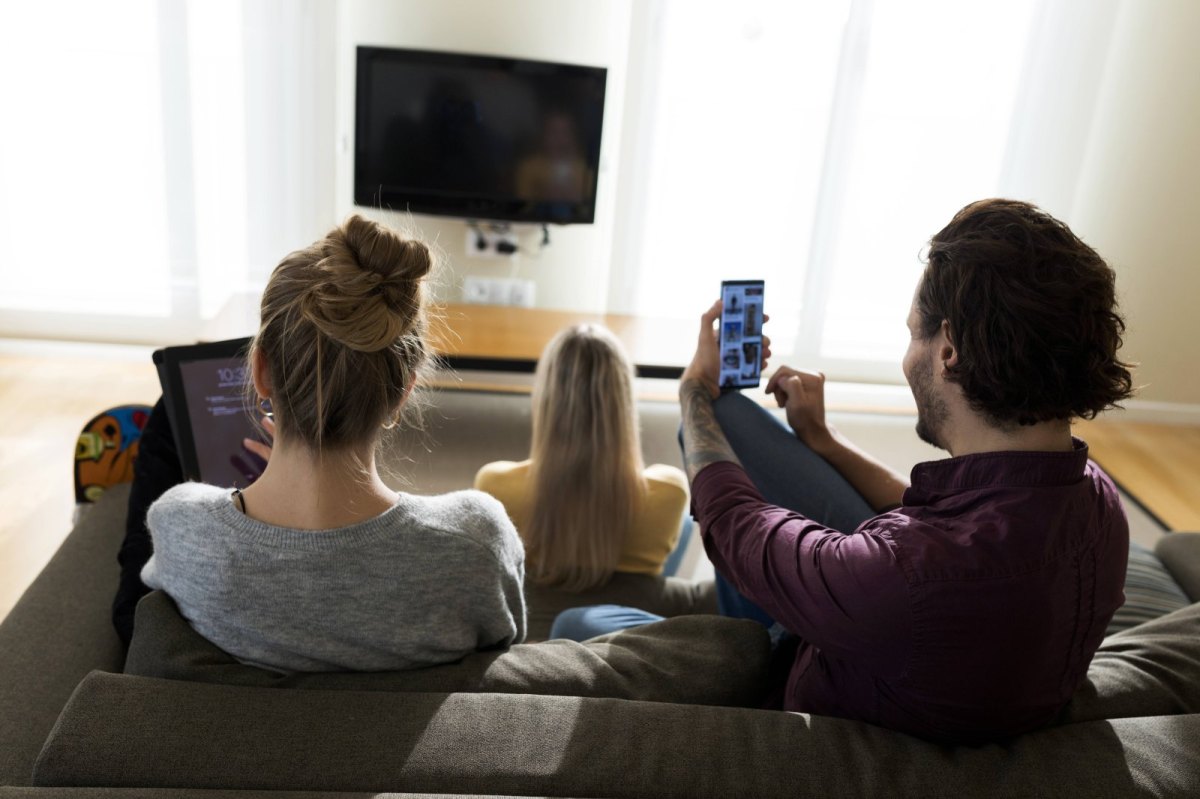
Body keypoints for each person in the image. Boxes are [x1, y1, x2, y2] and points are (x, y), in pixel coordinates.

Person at [555, 199, 1134, 744]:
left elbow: (736, 525)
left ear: (949, 348)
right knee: (733, 415)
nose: (908, 355)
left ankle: (736, 628)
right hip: (892, 635)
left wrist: (692, 395)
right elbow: (932, 515)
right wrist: (822, 442)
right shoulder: (1096, 499)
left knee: (579, 619)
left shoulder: (903, 576)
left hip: (808, 655)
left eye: (914, 333)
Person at [117, 215, 526, 672]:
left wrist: (287, 478)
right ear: (404, 391)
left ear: (260, 372)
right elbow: (502, 650)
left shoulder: (181, 526)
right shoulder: (475, 541)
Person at [474, 324, 689, 592]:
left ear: (546, 396)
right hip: (624, 617)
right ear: (623, 400)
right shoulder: (670, 491)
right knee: (686, 523)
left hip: (536, 617)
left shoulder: (494, 486)